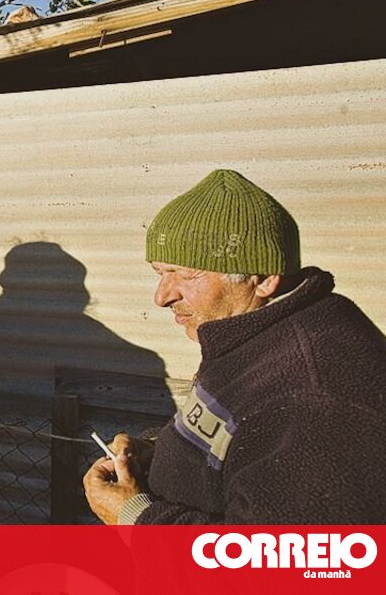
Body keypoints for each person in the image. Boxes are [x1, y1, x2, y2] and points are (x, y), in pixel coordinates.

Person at [83, 169, 386, 524]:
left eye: (186, 274)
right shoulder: (251, 336)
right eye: (159, 273)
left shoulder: (317, 399)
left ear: (263, 278)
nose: (161, 297)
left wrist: (136, 517)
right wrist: (158, 452)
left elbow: (274, 557)